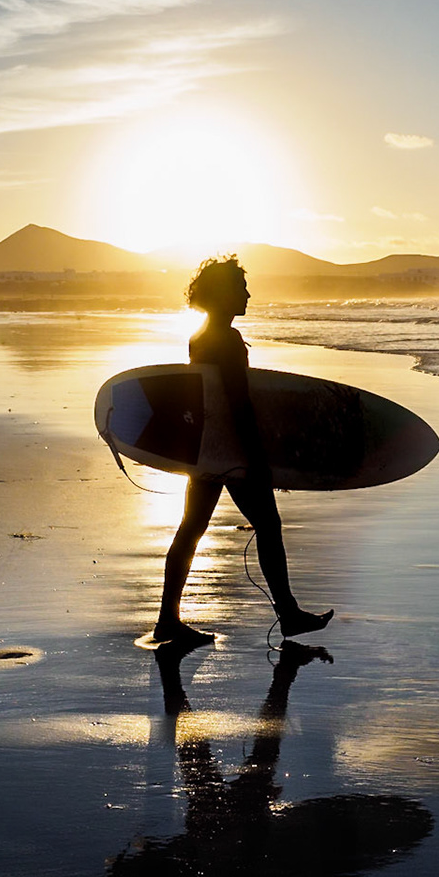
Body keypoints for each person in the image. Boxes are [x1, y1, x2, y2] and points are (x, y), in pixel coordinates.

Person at [153, 256, 332, 647]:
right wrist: (260, 460)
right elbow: (238, 405)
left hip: (206, 451)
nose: (248, 293)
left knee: (191, 530)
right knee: (268, 526)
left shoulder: (200, 336)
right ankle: (288, 616)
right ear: (223, 293)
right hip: (232, 452)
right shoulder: (227, 340)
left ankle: (167, 620)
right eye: (241, 286)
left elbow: (208, 402)